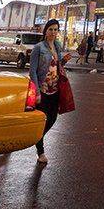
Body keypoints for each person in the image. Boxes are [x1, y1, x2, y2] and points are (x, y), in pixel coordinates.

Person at [30, 19, 71, 164]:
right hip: (43, 89)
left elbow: (57, 65)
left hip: (55, 89)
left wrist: (63, 61)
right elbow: (32, 71)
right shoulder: (38, 48)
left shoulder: (57, 46)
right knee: (43, 120)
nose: (53, 32)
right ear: (46, 31)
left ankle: (36, 137)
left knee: (52, 118)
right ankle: (40, 152)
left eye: (56, 29)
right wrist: (37, 92)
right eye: (51, 29)